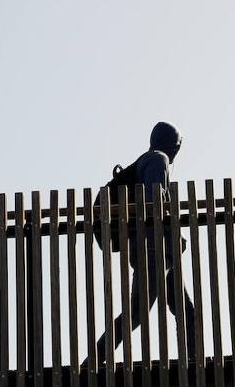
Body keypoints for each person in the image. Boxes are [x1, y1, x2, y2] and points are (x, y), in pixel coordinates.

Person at [91, 121, 197, 364]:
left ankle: (193, 360)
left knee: (186, 311)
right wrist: (173, 237)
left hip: (159, 251)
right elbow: (153, 204)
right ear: (174, 145)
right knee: (138, 312)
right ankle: (96, 358)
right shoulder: (158, 160)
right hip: (154, 250)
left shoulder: (146, 160)